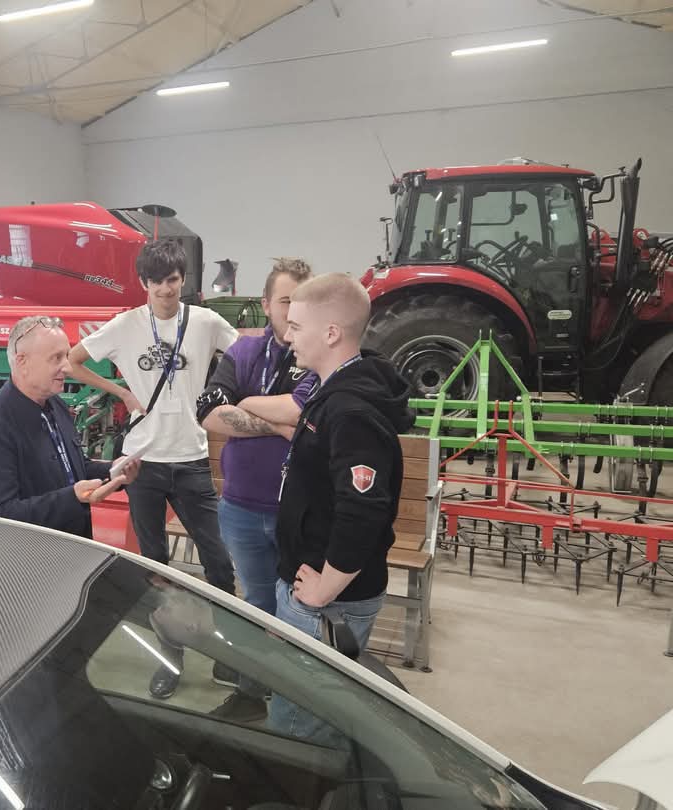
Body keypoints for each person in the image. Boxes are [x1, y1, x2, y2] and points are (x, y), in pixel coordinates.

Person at [67, 239, 239, 700]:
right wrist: (121, 392)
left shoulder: (205, 322)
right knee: (155, 569)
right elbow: (73, 361)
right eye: (158, 282)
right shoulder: (125, 326)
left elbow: (244, 357)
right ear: (143, 283)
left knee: (219, 564)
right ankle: (170, 660)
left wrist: (223, 395)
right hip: (142, 463)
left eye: (174, 280)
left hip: (191, 460)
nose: (166, 290)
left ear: (183, 280)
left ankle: (230, 658)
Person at [267, 273, 415, 740]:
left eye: (296, 326)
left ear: (331, 332)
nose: (287, 337)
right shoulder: (333, 391)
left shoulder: (352, 411)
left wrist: (324, 590)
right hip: (310, 583)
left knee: (299, 725)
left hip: (329, 601)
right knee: (309, 708)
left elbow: (363, 511)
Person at [194, 257, 315, 722]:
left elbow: (304, 415)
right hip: (241, 508)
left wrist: (245, 404)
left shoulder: (317, 356)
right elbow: (209, 412)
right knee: (258, 605)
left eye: (302, 302)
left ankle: (292, 705)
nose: (293, 311)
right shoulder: (243, 353)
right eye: (285, 301)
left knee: (296, 610)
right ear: (266, 305)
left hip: (295, 512)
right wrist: (278, 424)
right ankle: (250, 696)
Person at [0, 315, 139, 538]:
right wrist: (72, 498)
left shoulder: (55, 405)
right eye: (56, 358)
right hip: (36, 552)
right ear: (22, 362)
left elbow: (75, 466)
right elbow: (3, 514)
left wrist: (113, 471)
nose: (67, 367)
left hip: (75, 542)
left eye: (66, 356)